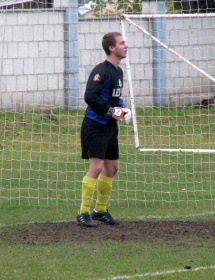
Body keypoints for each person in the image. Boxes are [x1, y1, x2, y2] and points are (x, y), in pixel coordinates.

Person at [77, 32, 130, 227]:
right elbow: (90, 96)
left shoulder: (119, 72)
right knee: (97, 167)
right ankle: (83, 213)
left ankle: (100, 210)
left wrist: (122, 109)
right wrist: (110, 111)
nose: (126, 46)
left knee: (112, 168)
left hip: (109, 126)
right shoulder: (101, 70)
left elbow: (114, 98)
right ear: (112, 48)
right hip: (95, 125)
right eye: (122, 43)